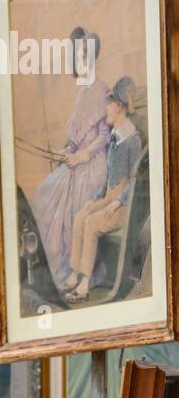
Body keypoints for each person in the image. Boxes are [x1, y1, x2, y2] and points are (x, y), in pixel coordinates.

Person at [29, 28, 111, 292]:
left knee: (75, 207)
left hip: (95, 163)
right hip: (76, 160)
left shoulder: (101, 88)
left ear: (94, 57)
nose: (82, 60)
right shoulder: (81, 92)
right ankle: (57, 270)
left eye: (86, 54)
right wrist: (69, 148)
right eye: (78, 55)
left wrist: (82, 155)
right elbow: (77, 132)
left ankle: (78, 272)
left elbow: (104, 136)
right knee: (45, 193)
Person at [65, 77, 142, 302]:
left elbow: (135, 179)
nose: (105, 109)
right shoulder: (114, 137)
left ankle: (84, 285)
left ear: (118, 108)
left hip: (125, 203)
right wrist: (97, 198)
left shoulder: (132, 139)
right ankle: (74, 273)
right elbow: (109, 176)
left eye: (108, 105)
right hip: (109, 195)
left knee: (91, 223)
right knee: (81, 215)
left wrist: (118, 202)